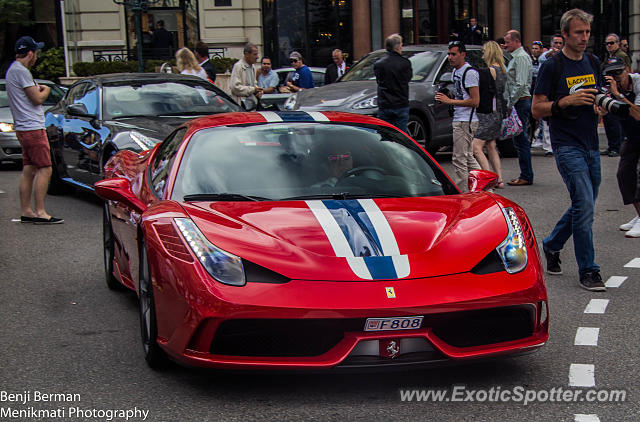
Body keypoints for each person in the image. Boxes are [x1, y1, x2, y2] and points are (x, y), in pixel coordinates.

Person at [532, 8, 607, 291]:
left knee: (583, 204)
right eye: (578, 32)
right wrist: (566, 102)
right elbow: (537, 108)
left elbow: (596, 95)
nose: (584, 38)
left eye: (587, 32)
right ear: (564, 35)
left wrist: (600, 105)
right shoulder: (553, 66)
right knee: (585, 205)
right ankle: (589, 270)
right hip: (567, 146)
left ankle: (551, 244)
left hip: (591, 144)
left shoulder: (592, 61)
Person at [5, 36, 63, 224]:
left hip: (23, 127)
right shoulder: (21, 71)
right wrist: (45, 90)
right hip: (33, 127)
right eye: (36, 52)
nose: (36, 56)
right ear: (30, 53)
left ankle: (26, 211)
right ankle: (40, 212)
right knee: (45, 168)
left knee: (29, 168)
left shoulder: (12, 71)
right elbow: (37, 99)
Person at [434, 41, 480, 191]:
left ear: (463, 54)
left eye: (453, 54)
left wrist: (449, 101)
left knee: (459, 158)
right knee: (467, 157)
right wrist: (448, 95)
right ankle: (484, 185)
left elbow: (475, 101)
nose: (450, 57)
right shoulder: (455, 72)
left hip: (466, 120)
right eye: (449, 54)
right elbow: (461, 94)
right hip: (459, 118)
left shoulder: (470, 73)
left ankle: (461, 192)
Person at [602, 56, 640, 237]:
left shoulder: (638, 83)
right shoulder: (609, 88)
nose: (615, 77)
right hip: (633, 136)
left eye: (618, 72)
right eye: (611, 74)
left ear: (627, 70)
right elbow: (602, 110)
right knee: (624, 174)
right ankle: (638, 214)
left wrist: (618, 95)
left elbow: (638, 114)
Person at [471, 41, 507, 189]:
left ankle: (488, 178)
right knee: (491, 145)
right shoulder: (503, 71)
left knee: (476, 147)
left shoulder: (490, 71)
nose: (483, 55)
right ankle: (499, 179)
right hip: (499, 111)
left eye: (484, 52)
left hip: (488, 113)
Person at [503, 29, 533, 186]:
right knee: (519, 140)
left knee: (521, 140)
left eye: (507, 42)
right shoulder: (517, 57)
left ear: (516, 41)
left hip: (520, 102)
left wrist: (510, 103)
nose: (505, 45)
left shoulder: (521, 58)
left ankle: (526, 175)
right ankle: (526, 173)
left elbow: (520, 84)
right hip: (519, 101)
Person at [373, 34, 412, 134]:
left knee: (384, 135)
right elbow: (408, 79)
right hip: (401, 103)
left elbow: (379, 81)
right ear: (398, 46)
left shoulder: (379, 64)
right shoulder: (405, 63)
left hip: (385, 103)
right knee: (401, 136)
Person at [600, 33, 631, 157]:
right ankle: (612, 145)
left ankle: (616, 147)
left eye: (611, 43)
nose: (609, 46)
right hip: (608, 88)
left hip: (618, 90)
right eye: (607, 43)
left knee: (614, 120)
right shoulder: (609, 57)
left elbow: (627, 72)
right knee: (608, 119)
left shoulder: (621, 56)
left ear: (617, 43)